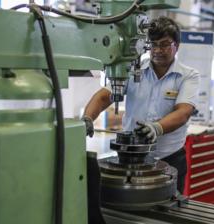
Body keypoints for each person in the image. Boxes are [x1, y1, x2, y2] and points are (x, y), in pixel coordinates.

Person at [81, 16, 200, 193]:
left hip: (170, 159)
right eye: (153, 44)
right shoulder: (132, 69)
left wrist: (157, 128)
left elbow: (183, 112)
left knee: (166, 211)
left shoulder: (188, 76)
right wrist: (87, 118)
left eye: (164, 44)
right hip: (130, 157)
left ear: (177, 45)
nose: (158, 50)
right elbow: (103, 97)